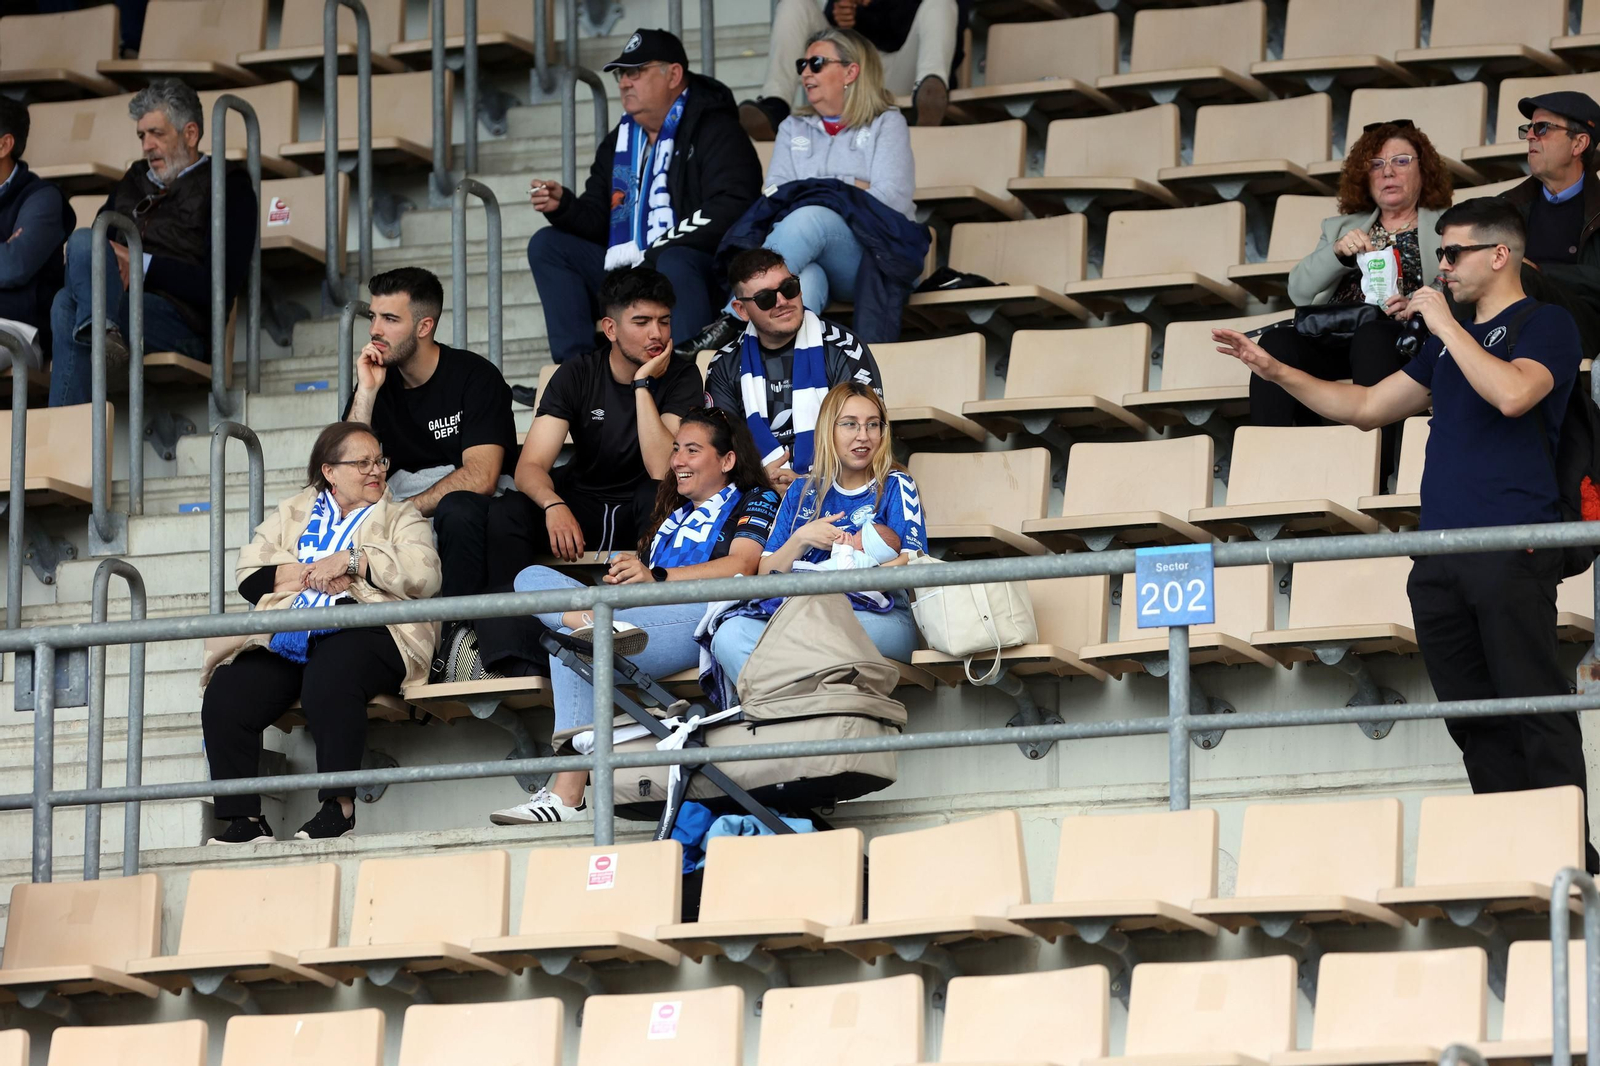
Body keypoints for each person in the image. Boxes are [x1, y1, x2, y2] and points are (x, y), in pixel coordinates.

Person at [1214, 196, 1599, 874]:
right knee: (1473, 718)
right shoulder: (1445, 344)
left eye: (1453, 253)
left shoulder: (1546, 325)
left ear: (1499, 254)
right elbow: (1364, 406)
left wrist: (1446, 324)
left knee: (1533, 704)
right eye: (1441, 254)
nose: (1441, 265)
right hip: (1441, 555)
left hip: (1511, 546)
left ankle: (1568, 852)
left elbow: (1514, 395)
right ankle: (1510, 852)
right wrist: (1276, 371)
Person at [492, 408, 781, 824]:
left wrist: (656, 577)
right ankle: (596, 625)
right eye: (677, 449)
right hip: (637, 617)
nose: (678, 460)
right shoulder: (673, 513)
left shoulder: (756, 497)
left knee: (574, 651)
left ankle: (567, 796)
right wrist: (625, 577)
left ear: (728, 460)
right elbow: (645, 580)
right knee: (530, 577)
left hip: (704, 616)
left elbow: (743, 565)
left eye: (693, 451)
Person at [199, 422, 441, 844]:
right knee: (228, 690)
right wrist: (315, 573)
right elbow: (250, 575)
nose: (376, 471)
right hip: (294, 629)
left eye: (379, 461)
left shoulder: (401, 515)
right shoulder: (294, 510)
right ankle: (244, 819)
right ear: (330, 471)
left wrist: (354, 562)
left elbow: (424, 575)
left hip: (374, 629)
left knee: (331, 673)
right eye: (362, 462)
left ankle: (338, 809)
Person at [525, 28, 763, 364]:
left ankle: (689, 376)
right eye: (622, 74)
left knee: (675, 260)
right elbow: (599, 221)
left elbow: (733, 205)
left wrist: (658, 250)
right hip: (635, 269)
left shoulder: (714, 127)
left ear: (674, 75)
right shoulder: (619, 143)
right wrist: (564, 206)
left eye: (636, 71)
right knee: (548, 245)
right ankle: (576, 374)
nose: (624, 82)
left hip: (700, 271)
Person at [1249, 119, 1453, 487]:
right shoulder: (1339, 228)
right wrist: (1337, 253)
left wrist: (1418, 303)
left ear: (1424, 170)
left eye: (1401, 161)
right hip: (1336, 332)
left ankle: (1372, 476)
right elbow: (1298, 291)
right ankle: (1273, 473)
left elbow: (1457, 282)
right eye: (1376, 164)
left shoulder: (1446, 224)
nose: (1388, 172)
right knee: (1276, 345)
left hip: (1403, 338)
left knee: (1374, 337)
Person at [690, 29, 917, 355]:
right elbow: (774, 195)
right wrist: (849, 185)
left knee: (810, 215)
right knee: (800, 283)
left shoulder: (887, 122)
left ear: (851, 71)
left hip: (865, 255)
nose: (805, 73)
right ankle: (784, 377)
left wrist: (815, 191)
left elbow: (891, 198)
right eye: (802, 64)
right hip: (806, 257)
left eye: (817, 63)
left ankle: (733, 319)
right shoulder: (792, 127)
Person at [47, 79, 256, 407]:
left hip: (181, 324)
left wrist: (141, 265)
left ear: (190, 134)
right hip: (120, 305)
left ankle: (67, 424)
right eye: (142, 136)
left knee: (65, 305)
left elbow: (217, 287)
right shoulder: (134, 178)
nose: (146, 146)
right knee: (83, 245)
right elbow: (96, 249)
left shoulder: (230, 185)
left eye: (157, 134)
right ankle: (104, 334)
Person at [710, 382, 925, 690]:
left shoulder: (896, 484)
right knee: (731, 634)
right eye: (850, 424)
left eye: (872, 425)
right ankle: (792, 710)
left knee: (807, 633)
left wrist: (845, 582)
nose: (863, 436)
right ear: (828, 429)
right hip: (799, 612)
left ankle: (791, 707)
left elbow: (912, 562)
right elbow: (765, 574)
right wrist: (802, 539)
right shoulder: (801, 491)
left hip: (879, 616)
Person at [343, 267, 520, 603]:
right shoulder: (380, 379)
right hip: (405, 498)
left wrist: (401, 512)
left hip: (468, 504)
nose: (374, 331)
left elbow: (481, 477)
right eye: (373, 317)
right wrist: (366, 392)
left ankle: (460, 639)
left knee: (457, 511)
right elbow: (344, 466)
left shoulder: (475, 377)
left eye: (390, 319)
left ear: (424, 327)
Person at [509, 266, 706, 565]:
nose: (657, 334)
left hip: (645, 508)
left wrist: (641, 385)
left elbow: (662, 470)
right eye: (641, 322)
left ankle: (653, 605)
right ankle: (507, 611)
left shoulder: (682, 376)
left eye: (664, 322)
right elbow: (530, 466)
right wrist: (553, 505)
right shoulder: (577, 373)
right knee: (506, 512)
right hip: (582, 505)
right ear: (610, 329)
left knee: (658, 496)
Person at [701, 248, 883, 493]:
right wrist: (761, 481)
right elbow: (719, 451)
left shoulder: (845, 348)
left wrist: (806, 484)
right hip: (756, 492)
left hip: (839, 489)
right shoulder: (724, 365)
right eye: (765, 298)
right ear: (741, 310)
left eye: (788, 288)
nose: (782, 302)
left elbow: (868, 434)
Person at [740, 0, 958, 138]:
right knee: (794, 4)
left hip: (903, 75)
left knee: (941, 2)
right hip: (849, 70)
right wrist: (839, 16)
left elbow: (956, 21)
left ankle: (929, 97)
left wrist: (871, 12)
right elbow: (833, 31)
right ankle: (776, 105)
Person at [1499, 91, 1600, 358]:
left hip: (1584, 326)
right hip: (1513, 318)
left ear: (1578, 144)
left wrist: (1541, 272)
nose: (1531, 135)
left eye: (1543, 128)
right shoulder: (1507, 206)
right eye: (1529, 128)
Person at [0, 97, 72, 367]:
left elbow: (12, 265)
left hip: (18, 328)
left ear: (4, 145)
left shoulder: (43, 199)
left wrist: (7, 253)